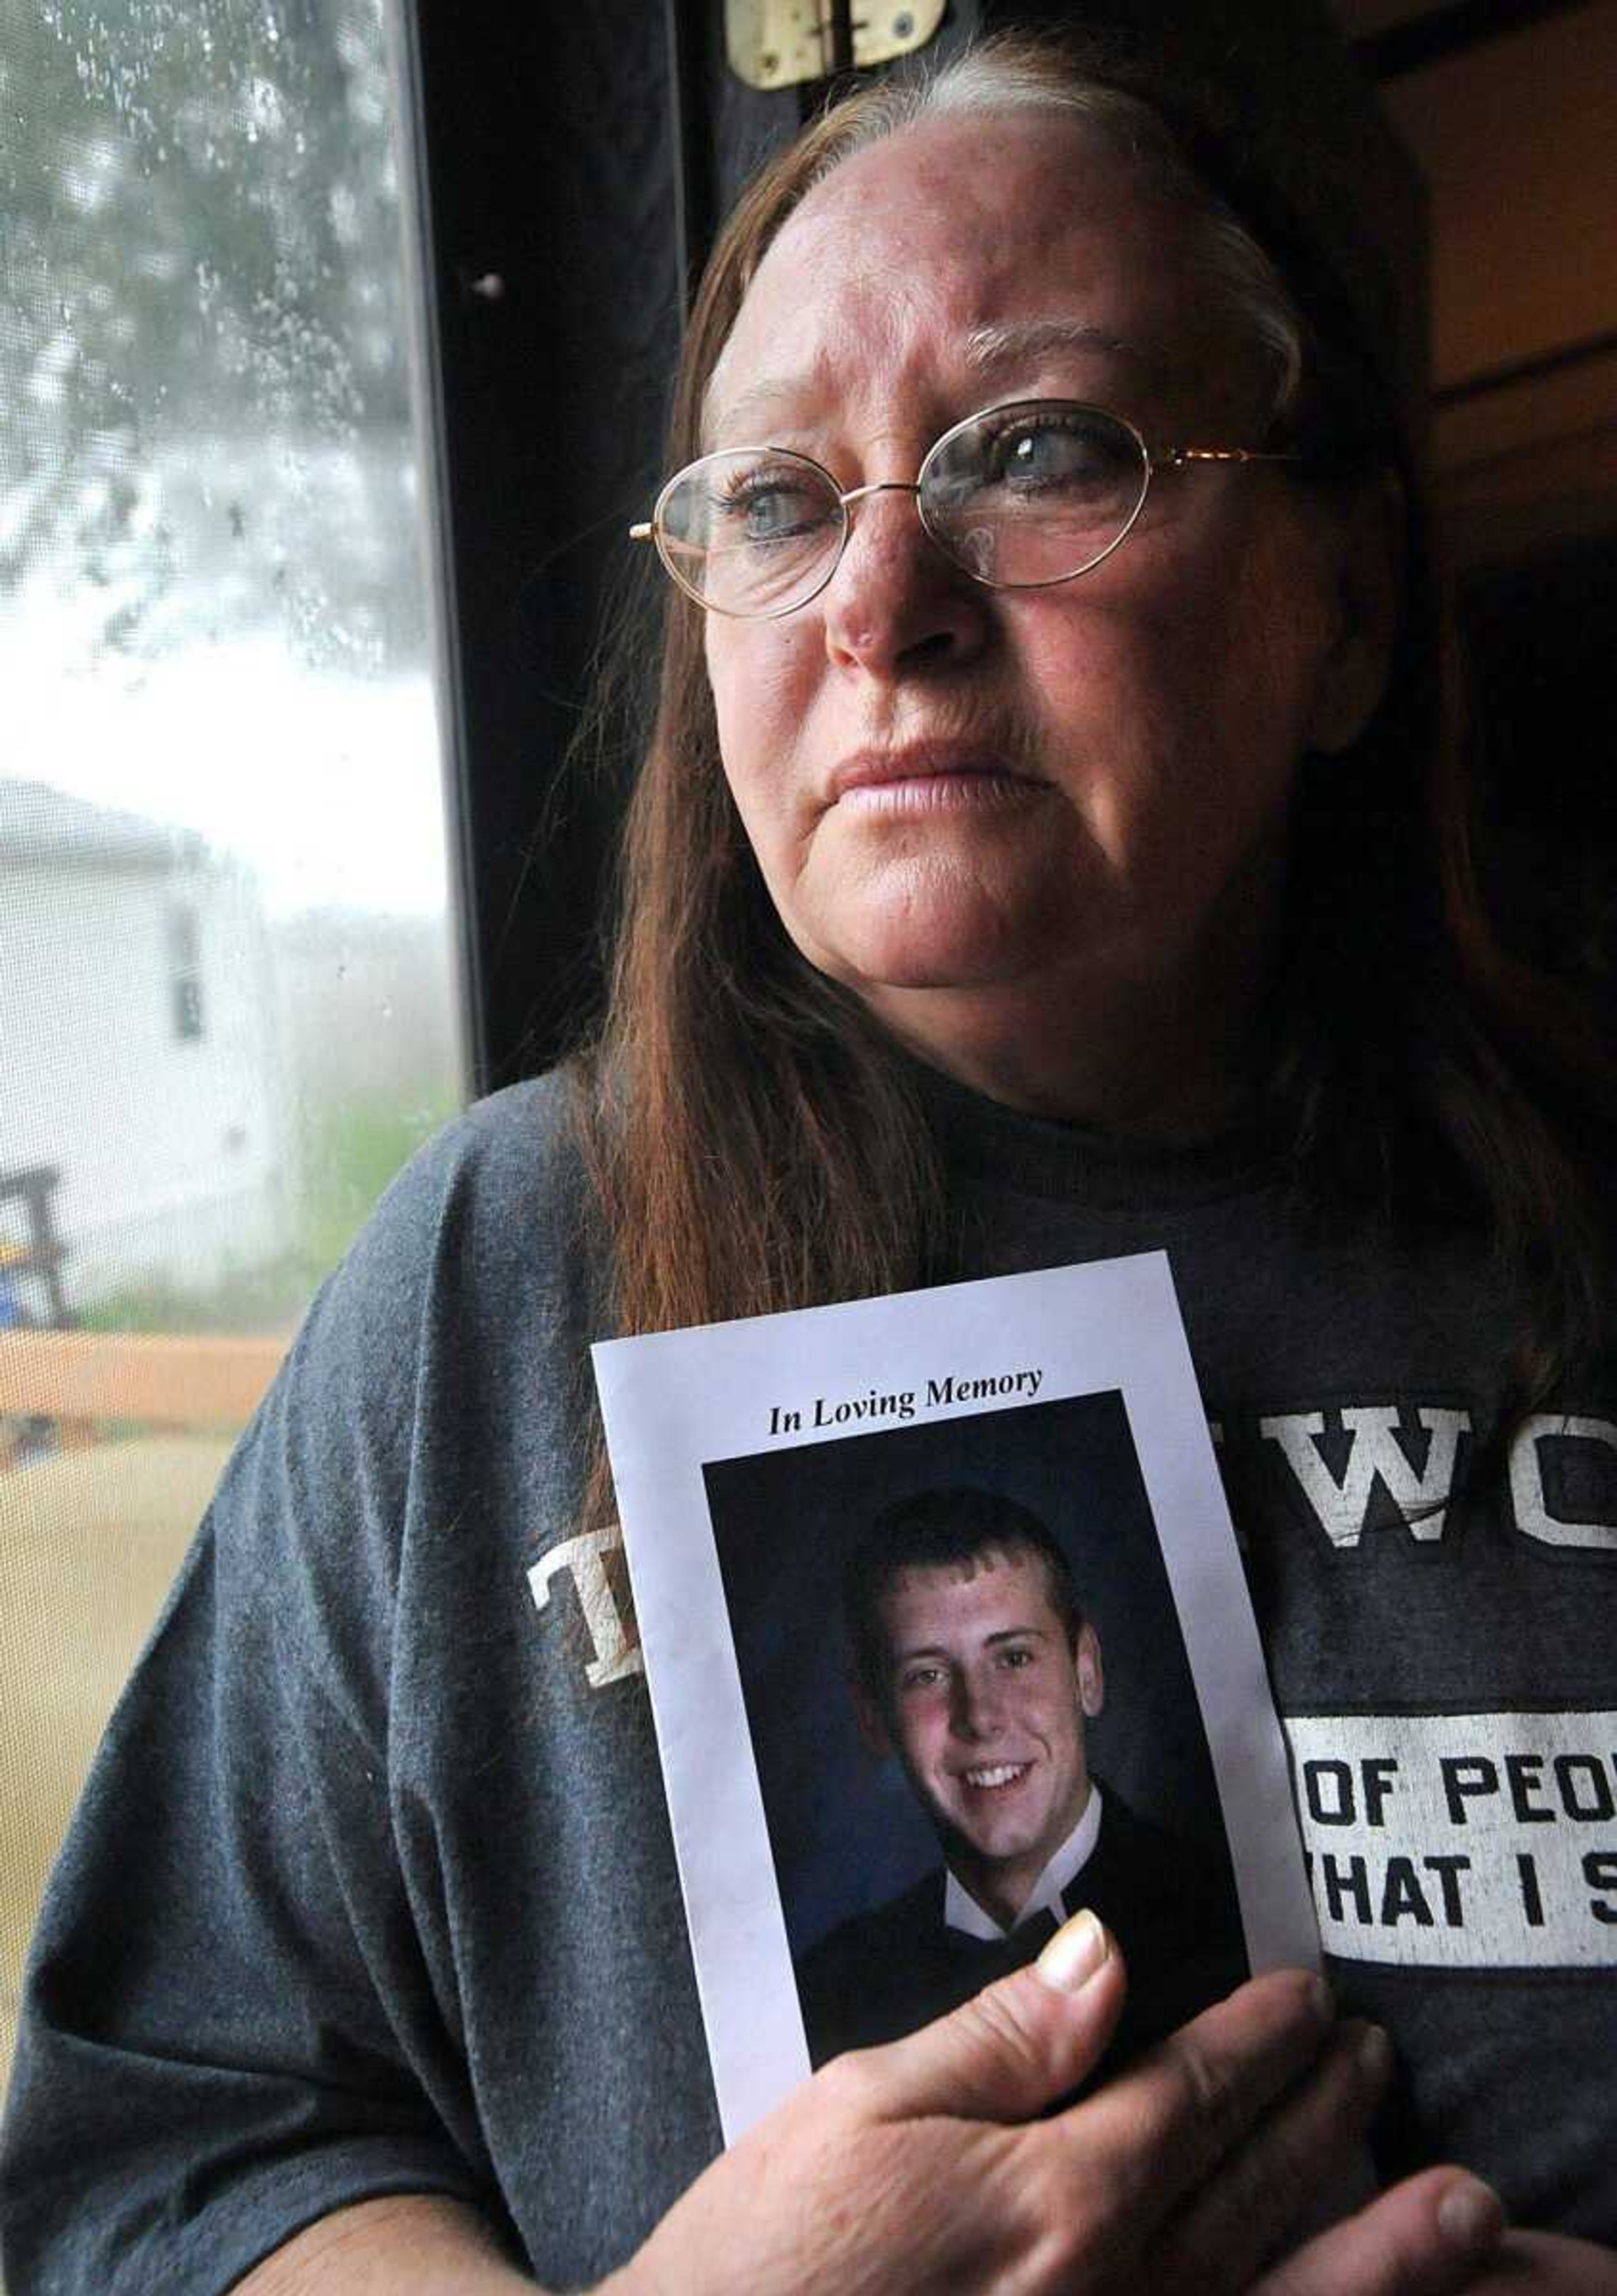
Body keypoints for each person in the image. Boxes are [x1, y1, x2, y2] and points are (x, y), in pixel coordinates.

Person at [3, 20, 1614, 2295]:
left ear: (1343, 600)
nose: (881, 602)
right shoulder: (498, 1266)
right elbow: (165, 2153)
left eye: (1036, 450)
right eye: (775, 496)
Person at [796, 1487, 1247, 2065]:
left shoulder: (1228, 1914)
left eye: (1013, 1657)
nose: (979, 1716)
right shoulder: (829, 1995)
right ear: (872, 1717)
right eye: (927, 1674)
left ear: (1086, 1671)